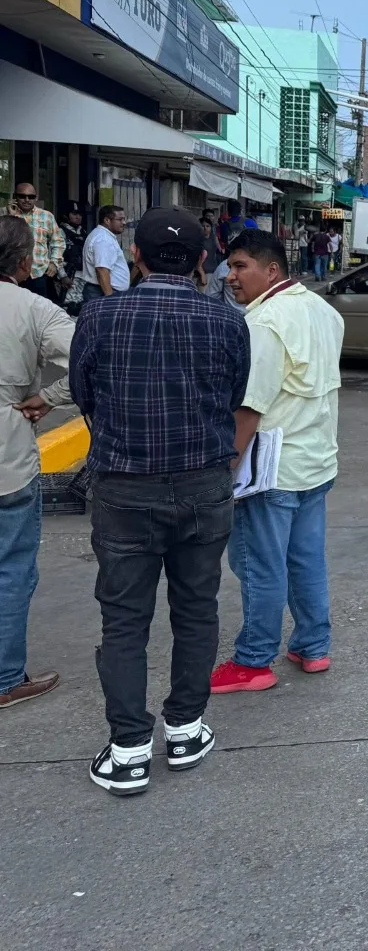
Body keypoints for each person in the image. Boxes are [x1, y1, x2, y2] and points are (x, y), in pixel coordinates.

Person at [65, 209, 250, 794]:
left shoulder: (98, 316)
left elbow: (82, 393)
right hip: (204, 486)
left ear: (135, 257)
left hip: (124, 488)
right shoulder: (228, 321)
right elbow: (234, 394)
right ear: (202, 260)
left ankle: (128, 750)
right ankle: (187, 728)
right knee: (197, 609)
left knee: (124, 619)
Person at [210, 231, 345, 694]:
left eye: (240, 266)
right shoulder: (323, 311)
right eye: (229, 267)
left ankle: (253, 661)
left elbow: (250, 406)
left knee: (260, 566)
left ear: (271, 271)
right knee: (305, 560)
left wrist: (227, 465)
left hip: (272, 471)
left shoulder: (264, 323)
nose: (231, 276)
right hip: (315, 462)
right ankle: (313, 646)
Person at [0, 216, 73, 710]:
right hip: (6, 454)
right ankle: (6, 678)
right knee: (10, 568)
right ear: (26, 262)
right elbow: (92, 357)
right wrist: (50, 395)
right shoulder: (33, 308)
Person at [9, 182, 63, 303]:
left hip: (38, 274)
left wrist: (54, 263)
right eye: (22, 196)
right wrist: (11, 216)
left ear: (36, 198)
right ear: (15, 197)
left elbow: (58, 241)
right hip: (12, 274)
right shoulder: (5, 214)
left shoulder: (47, 216)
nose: (27, 200)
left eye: (31, 197)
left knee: (38, 313)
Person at [80, 205, 130, 300]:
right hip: (103, 292)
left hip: (101, 291)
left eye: (124, 219)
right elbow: (102, 270)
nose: (124, 222)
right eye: (120, 219)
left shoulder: (102, 235)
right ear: (107, 220)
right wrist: (109, 299)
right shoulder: (103, 239)